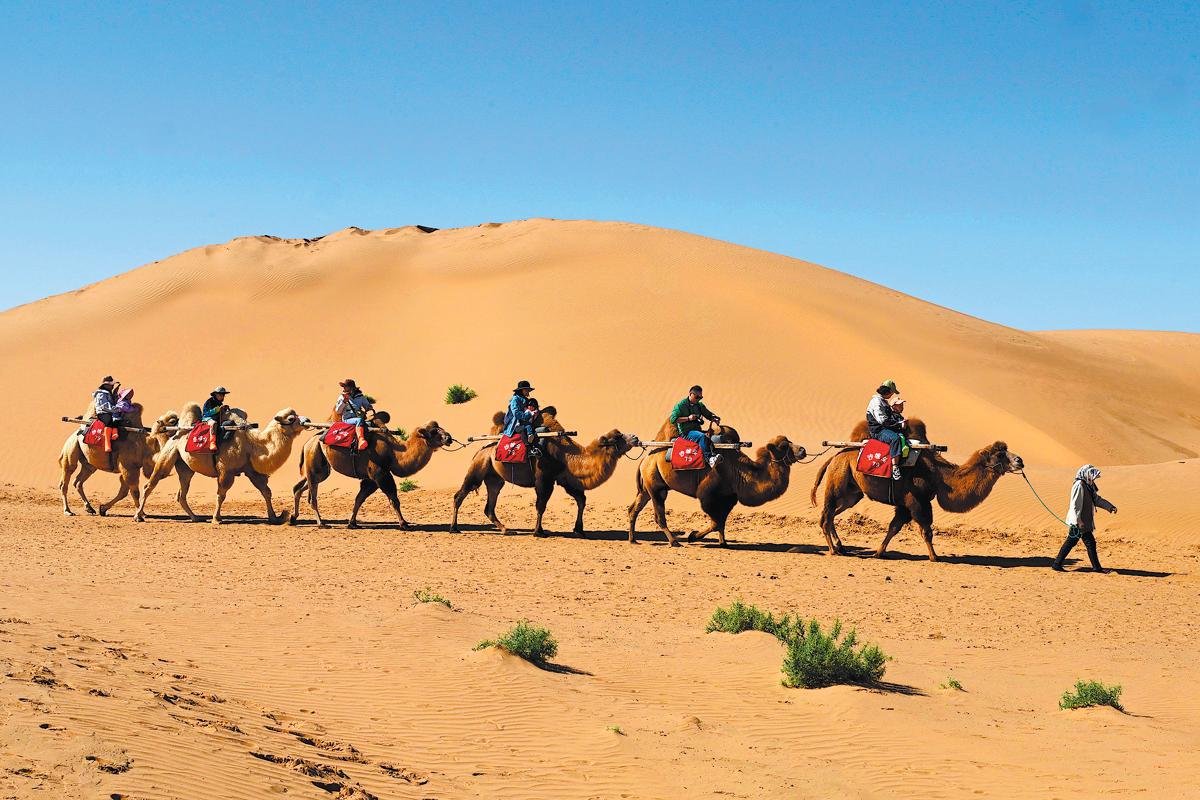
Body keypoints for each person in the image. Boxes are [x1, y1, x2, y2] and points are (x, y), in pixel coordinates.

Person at [1052, 465, 1118, 573]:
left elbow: (1096, 499)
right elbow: (1075, 505)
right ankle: (1096, 568)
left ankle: (1057, 564)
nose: (1093, 478)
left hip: (1084, 521)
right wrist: (1078, 520)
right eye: (1091, 475)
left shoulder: (1088, 485)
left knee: (1072, 542)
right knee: (1089, 543)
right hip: (1080, 522)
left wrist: (1109, 507)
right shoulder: (1079, 485)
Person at [670, 385, 722, 468]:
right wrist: (688, 418)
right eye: (697, 397)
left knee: (710, 436)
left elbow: (708, 414)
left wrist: (714, 418)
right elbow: (673, 419)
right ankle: (709, 459)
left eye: (700, 397)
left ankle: (714, 455)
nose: (698, 399)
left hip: (696, 430)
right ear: (690, 394)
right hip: (686, 433)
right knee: (702, 437)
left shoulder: (699, 405)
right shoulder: (680, 406)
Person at [866, 379, 909, 480]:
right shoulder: (876, 402)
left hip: (884, 429)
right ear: (888, 391)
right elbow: (883, 421)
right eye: (892, 392)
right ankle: (895, 468)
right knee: (895, 438)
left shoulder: (883, 401)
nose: (892, 394)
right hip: (878, 431)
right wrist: (899, 425)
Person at [503, 380, 542, 457]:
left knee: (532, 428)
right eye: (526, 390)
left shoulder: (525, 399)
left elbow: (531, 408)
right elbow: (516, 413)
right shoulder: (515, 400)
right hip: (514, 424)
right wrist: (528, 414)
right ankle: (529, 450)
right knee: (524, 430)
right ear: (522, 390)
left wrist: (536, 411)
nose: (528, 392)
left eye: (528, 390)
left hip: (525, 422)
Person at [335, 379, 374, 451]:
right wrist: (344, 402)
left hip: (358, 417)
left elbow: (367, 405)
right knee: (359, 420)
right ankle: (361, 440)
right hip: (347, 419)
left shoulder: (360, 396)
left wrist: (369, 407)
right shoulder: (342, 397)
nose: (344, 388)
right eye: (343, 386)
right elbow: (338, 411)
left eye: (345, 386)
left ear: (351, 388)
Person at [91, 376, 122, 453]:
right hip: (103, 412)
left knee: (118, 419)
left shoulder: (109, 393)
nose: (112, 386)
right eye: (111, 385)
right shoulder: (101, 394)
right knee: (108, 421)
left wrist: (115, 394)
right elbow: (104, 406)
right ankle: (107, 444)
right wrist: (116, 409)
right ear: (106, 385)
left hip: (110, 411)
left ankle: (114, 433)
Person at [202, 386, 231, 452]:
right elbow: (207, 413)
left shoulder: (219, 403)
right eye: (220, 395)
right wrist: (219, 409)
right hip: (207, 419)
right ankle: (212, 443)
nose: (222, 396)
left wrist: (224, 409)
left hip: (217, 418)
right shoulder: (209, 402)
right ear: (215, 394)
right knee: (214, 423)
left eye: (223, 395)